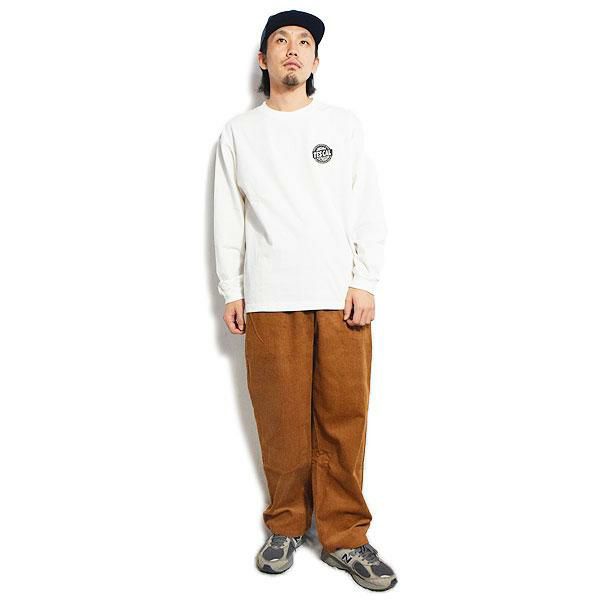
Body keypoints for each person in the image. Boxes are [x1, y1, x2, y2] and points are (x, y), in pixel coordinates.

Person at [213, 9, 397, 592]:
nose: (292, 48)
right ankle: (286, 524)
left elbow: (366, 205)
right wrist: (232, 288)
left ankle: (345, 536)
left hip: (339, 297)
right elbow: (228, 216)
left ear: (316, 60)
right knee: (280, 420)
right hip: (270, 297)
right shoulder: (239, 133)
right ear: (263, 58)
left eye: (304, 42)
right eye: (280, 40)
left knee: (345, 419)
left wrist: (365, 280)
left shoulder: (342, 125)